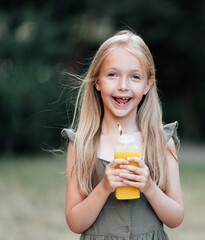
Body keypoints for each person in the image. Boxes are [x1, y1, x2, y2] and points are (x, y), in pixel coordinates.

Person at [61, 30, 184, 240]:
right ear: (97, 81)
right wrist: (104, 187)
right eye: (112, 74)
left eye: (135, 77)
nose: (123, 86)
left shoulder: (161, 143)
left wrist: (149, 187)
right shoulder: (82, 144)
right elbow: (74, 222)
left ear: (148, 84)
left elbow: (176, 218)